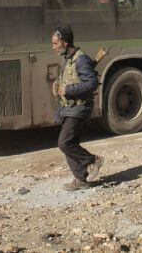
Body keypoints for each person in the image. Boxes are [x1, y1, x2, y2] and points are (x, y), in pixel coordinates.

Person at [50, 24, 104, 190]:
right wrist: (58, 85)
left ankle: (93, 160)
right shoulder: (67, 59)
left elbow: (92, 82)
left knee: (64, 143)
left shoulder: (81, 59)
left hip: (80, 108)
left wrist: (68, 89)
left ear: (65, 43)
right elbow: (69, 79)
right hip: (68, 108)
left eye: (55, 43)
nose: (53, 47)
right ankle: (80, 179)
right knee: (70, 143)